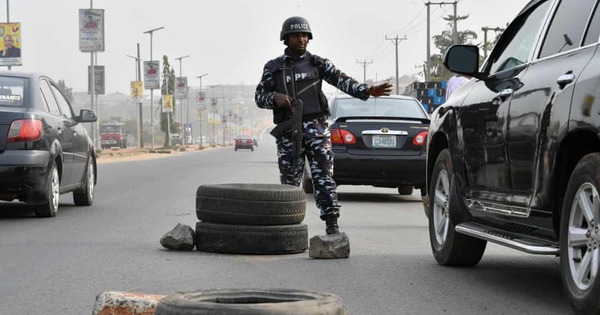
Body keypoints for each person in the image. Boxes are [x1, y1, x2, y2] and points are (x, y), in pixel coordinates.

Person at [255, 16, 392, 235]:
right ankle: (289, 227)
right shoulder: (273, 68)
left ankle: (331, 223)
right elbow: (260, 97)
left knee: (324, 179)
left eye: (304, 35)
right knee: (289, 182)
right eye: (296, 35)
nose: (301, 39)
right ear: (286, 38)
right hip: (289, 131)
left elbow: (342, 81)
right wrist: (276, 98)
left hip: (316, 129)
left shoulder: (318, 64)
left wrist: (366, 91)